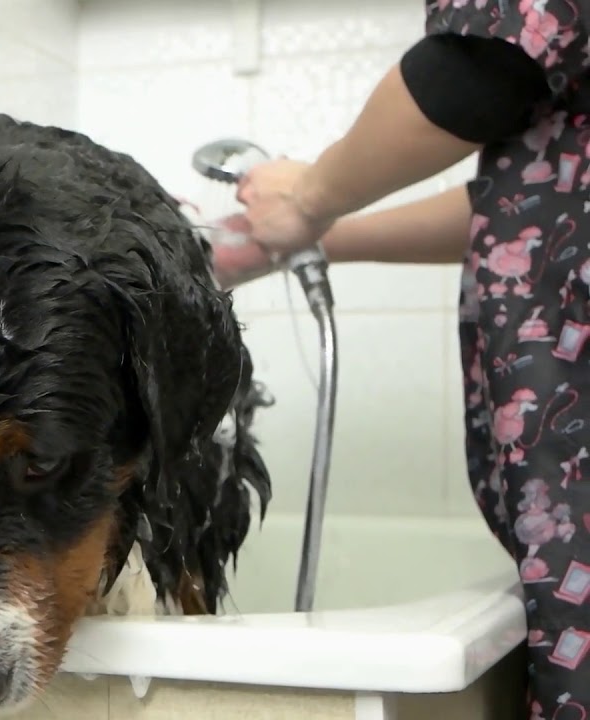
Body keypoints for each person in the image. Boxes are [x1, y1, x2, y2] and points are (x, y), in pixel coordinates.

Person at [215, 2, 590, 717]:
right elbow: (537, 200)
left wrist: (311, 196)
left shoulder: (505, 56)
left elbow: (488, 62)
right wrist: (302, 240)